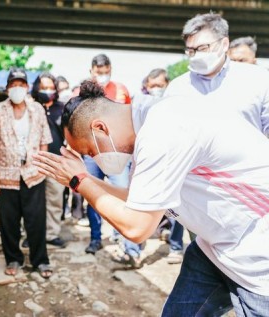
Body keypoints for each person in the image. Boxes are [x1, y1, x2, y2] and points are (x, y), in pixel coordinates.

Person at [34, 80, 269, 316]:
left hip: (254, 256)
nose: (95, 160)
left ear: (100, 128)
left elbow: (138, 227)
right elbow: (134, 199)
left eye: (90, 152)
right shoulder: (143, 126)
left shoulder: (163, 129)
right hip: (214, 247)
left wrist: (80, 182)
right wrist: (84, 177)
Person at [0, 68, 53, 278]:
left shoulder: (37, 110)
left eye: (21, 84)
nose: (17, 88)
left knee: (36, 220)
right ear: (7, 89)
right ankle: (13, 259)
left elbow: (44, 141)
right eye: (13, 85)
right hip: (6, 174)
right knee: (9, 221)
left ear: (26, 87)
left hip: (33, 173)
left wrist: (42, 167)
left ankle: (40, 260)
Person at [164, 13, 269, 136]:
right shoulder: (177, 88)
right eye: (191, 51)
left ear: (224, 44)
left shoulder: (258, 79)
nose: (197, 55)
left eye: (203, 48)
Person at [133, 68, 185, 265]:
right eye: (152, 85)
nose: (155, 89)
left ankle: (176, 247)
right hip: (148, 162)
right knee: (142, 205)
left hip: (174, 162)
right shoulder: (140, 104)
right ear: (146, 86)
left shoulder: (177, 103)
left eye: (159, 86)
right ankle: (134, 249)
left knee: (177, 208)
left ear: (167, 84)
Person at [83, 54, 132, 255]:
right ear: (91, 71)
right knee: (93, 196)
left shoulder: (120, 90)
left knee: (123, 194)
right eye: (98, 72)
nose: (102, 76)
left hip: (116, 153)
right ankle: (95, 238)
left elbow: (129, 117)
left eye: (106, 72)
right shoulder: (82, 92)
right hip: (91, 153)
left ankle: (123, 237)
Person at [31, 72, 66, 248]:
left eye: (51, 87)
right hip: (33, 162)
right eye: (44, 87)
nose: (47, 91)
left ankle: (52, 234)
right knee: (33, 201)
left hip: (55, 162)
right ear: (37, 88)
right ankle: (31, 233)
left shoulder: (62, 108)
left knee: (55, 199)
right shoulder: (30, 108)